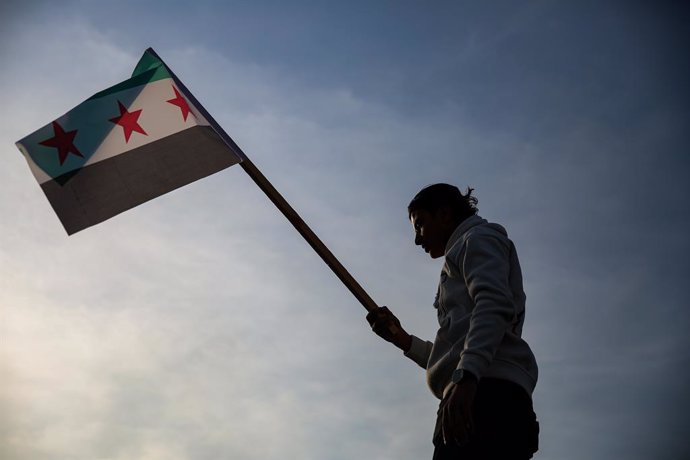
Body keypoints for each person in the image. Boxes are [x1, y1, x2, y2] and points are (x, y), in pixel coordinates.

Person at [367, 183, 539, 459]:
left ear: (444, 215)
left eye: (420, 224)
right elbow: (457, 350)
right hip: (475, 392)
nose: (417, 239)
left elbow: (493, 305)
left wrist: (467, 377)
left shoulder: (477, 239)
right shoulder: (464, 250)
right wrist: (402, 339)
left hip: (485, 397)